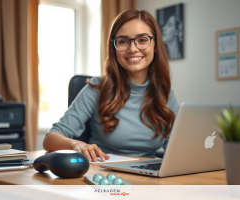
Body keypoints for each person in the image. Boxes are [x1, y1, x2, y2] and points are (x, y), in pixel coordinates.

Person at [43, 9, 179, 162]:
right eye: (123, 41)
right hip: (106, 174)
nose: (133, 48)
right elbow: (50, 139)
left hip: (150, 176)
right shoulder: (97, 88)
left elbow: (176, 150)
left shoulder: (166, 95)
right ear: (114, 49)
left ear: (155, 46)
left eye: (142, 40)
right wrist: (76, 144)